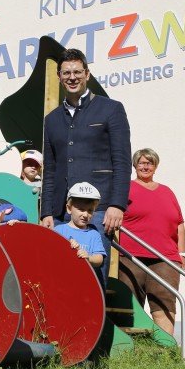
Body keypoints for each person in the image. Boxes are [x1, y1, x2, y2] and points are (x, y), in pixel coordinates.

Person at [40, 48, 131, 287]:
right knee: (58, 278)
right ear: (59, 76)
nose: (72, 77)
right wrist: (46, 212)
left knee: (93, 279)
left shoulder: (111, 109)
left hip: (98, 210)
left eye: (77, 72)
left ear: (87, 74)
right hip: (60, 212)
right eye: (66, 72)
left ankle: (95, 325)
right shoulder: (51, 120)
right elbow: (50, 169)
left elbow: (122, 161)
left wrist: (117, 205)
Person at [118, 148, 185, 336]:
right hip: (130, 256)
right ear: (135, 165)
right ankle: (132, 350)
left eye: (149, 162)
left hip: (165, 258)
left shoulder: (167, 192)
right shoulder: (125, 188)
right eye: (141, 162)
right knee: (131, 306)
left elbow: (179, 223)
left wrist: (182, 253)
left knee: (164, 304)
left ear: (155, 166)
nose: (145, 166)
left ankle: (166, 349)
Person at [53, 183, 107, 273]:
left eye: (90, 210)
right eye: (81, 209)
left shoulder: (94, 234)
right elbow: (50, 253)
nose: (85, 215)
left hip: (84, 280)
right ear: (69, 208)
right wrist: (65, 246)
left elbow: (99, 259)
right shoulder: (59, 230)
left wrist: (89, 257)